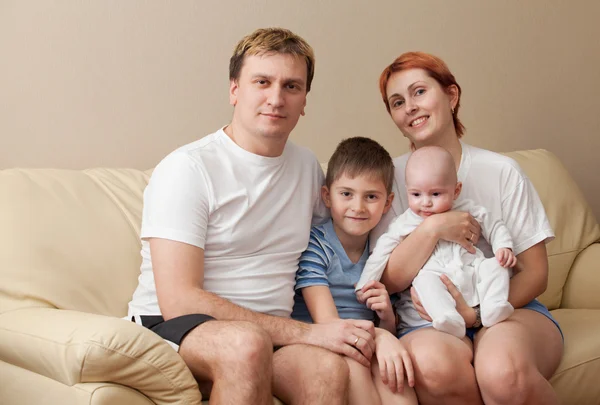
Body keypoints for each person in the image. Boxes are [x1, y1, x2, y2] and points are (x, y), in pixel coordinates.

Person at [125, 28, 377, 405]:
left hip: (269, 334)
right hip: (170, 326)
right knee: (246, 344)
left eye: (291, 86)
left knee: (325, 368)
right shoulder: (187, 168)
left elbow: (344, 246)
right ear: (234, 90)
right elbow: (178, 299)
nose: (276, 98)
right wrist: (306, 333)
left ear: (305, 99)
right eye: (262, 82)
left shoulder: (307, 167)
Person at [365, 51, 564, 405]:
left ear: (451, 96)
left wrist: (475, 316)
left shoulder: (501, 171)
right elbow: (389, 279)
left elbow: (535, 274)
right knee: (433, 368)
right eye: (397, 102)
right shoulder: (386, 178)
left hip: (506, 308)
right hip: (427, 319)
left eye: (419, 92)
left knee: (503, 373)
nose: (409, 107)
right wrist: (434, 228)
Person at [291, 137, 417, 405]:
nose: (358, 207)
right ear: (327, 196)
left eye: (371, 197)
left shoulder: (382, 254)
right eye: (346, 194)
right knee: (358, 373)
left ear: (387, 203)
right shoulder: (316, 246)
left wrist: (386, 319)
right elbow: (328, 323)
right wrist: (380, 334)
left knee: (399, 389)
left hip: (363, 342)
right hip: (322, 342)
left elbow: (389, 328)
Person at [356, 145, 517, 338]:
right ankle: (447, 317)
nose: (426, 202)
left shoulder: (466, 209)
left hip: (472, 274)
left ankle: (494, 307)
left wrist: (503, 247)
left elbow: (494, 225)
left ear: (456, 191)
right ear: (407, 191)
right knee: (424, 282)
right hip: (436, 276)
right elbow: (382, 251)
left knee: (497, 266)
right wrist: (365, 283)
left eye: (435, 194)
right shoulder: (405, 221)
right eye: (416, 194)